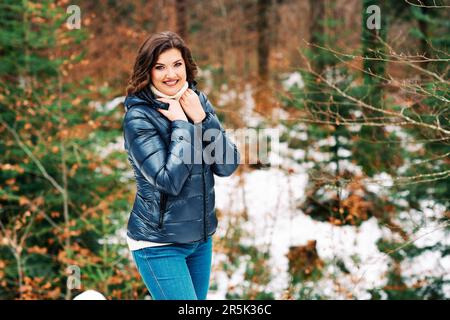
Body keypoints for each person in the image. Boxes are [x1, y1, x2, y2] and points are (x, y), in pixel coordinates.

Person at [122, 31, 240, 300]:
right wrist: (183, 126)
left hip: (200, 240)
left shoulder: (196, 101)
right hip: (159, 243)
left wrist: (203, 118)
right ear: (148, 72)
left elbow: (226, 165)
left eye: (177, 64)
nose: (171, 74)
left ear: (187, 65)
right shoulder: (139, 118)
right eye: (160, 67)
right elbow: (169, 180)